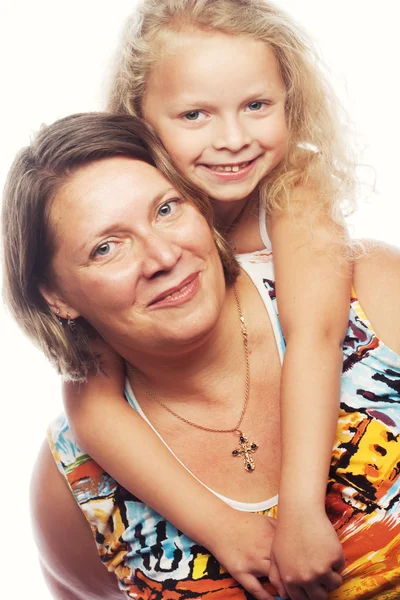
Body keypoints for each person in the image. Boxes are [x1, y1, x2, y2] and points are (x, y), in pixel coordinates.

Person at [3, 113, 399, 600]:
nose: (163, 257)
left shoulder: (371, 295)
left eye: (166, 210)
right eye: (106, 248)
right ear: (55, 297)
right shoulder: (74, 492)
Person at [63, 1, 355, 598]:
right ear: (139, 119)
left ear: (289, 102)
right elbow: (91, 404)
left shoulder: (294, 192)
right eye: (195, 113)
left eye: (256, 105)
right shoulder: (123, 225)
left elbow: (315, 333)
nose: (233, 140)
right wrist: (219, 527)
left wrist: (301, 509)